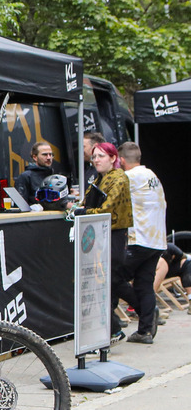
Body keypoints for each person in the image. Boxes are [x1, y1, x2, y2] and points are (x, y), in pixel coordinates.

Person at [71, 142, 132, 343]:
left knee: (108, 282)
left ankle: (137, 315)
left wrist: (83, 211)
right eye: (94, 156)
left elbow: (106, 209)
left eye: (101, 156)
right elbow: (87, 202)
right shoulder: (100, 178)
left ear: (113, 158)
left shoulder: (119, 177)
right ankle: (112, 328)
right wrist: (76, 207)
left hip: (113, 235)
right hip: (99, 234)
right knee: (102, 283)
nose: (96, 160)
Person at [115, 142, 167, 344]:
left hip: (139, 239)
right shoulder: (152, 175)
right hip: (156, 240)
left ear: (120, 160)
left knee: (114, 278)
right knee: (144, 284)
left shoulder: (129, 177)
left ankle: (145, 312)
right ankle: (145, 331)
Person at [156, 244, 191, 314]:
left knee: (187, 264)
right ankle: (150, 309)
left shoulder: (169, 248)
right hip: (151, 272)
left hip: (165, 269)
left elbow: (183, 256)